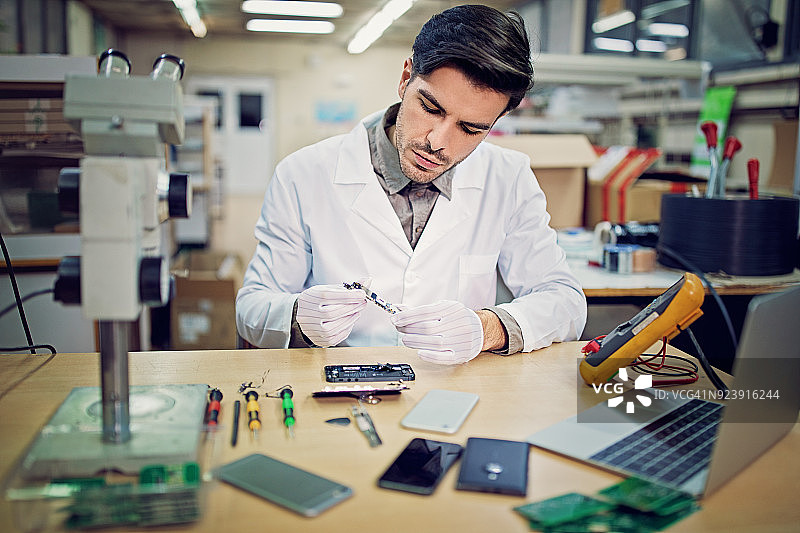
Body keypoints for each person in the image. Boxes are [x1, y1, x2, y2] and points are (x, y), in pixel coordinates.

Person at [236, 4, 586, 364]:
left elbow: (564, 299)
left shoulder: (507, 176)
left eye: (470, 129)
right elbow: (251, 306)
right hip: (338, 388)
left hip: (455, 392)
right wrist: (296, 315)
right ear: (406, 79)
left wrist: (487, 328)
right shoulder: (303, 173)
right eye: (431, 108)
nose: (439, 142)